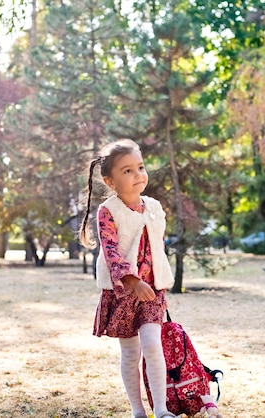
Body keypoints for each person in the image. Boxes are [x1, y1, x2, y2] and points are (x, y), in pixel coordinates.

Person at [79, 139, 175, 418]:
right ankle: (138, 410)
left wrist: (158, 281)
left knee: (152, 345)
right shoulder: (109, 211)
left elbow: (158, 245)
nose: (138, 175)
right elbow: (110, 251)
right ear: (110, 181)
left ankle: (161, 410)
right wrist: (132, 280)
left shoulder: (155, 208)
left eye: (140, 167)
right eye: (128, 171)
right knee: (131, 353)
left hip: (152, 292)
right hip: (123, 292)